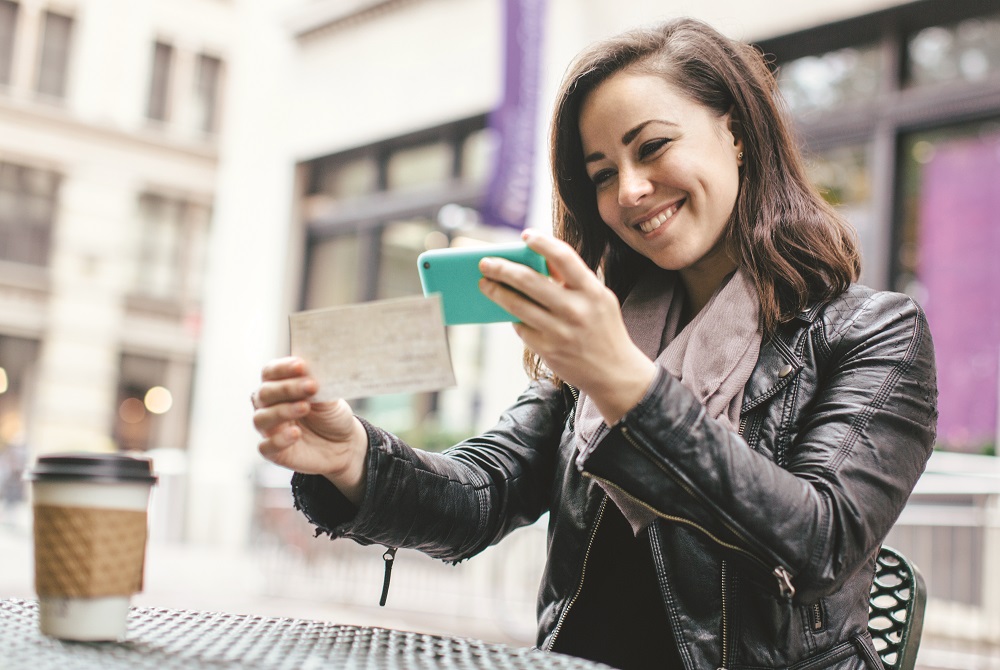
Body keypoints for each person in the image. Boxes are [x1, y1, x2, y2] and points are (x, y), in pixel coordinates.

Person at [251, 17, 937, 670]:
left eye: (653, 146)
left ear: (734, 132)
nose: (631, 191)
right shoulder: (608, 326)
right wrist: (355, 458)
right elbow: (484, 493)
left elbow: (819, 546)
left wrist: (626, 385)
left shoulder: (875, 334)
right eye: (603, 173)